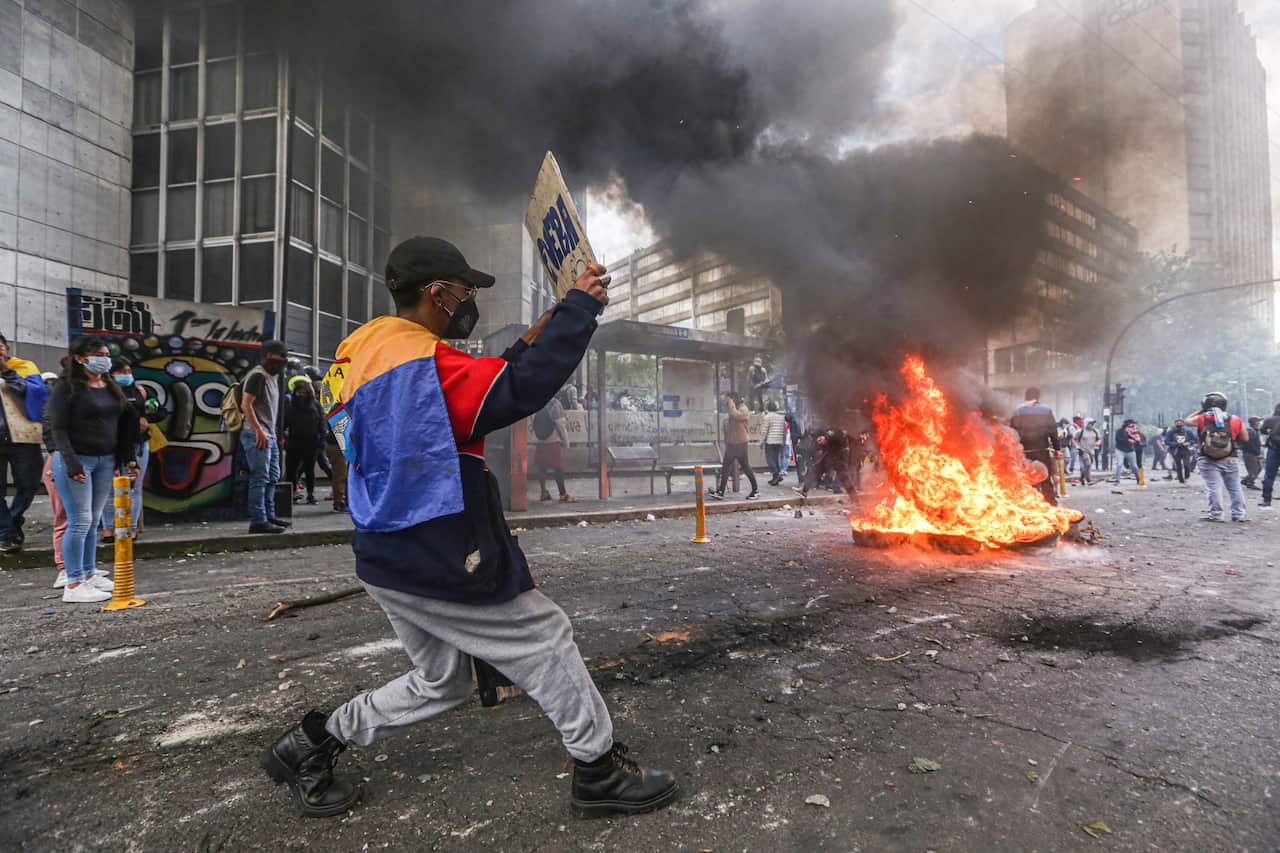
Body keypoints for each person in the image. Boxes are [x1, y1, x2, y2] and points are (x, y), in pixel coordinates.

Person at [263, 237, 675, 819]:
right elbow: (516, 390)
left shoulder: (363, 350)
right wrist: (582, 309)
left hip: (384, 547)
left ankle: (312, 743)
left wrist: (535, 335)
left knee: (441, 681)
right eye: (465, 289)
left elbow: (462, 395)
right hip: (434, 547)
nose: (470, 299)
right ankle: (598, 769)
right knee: (544, 634)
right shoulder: (424, 364)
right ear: (437, 292)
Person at [47, 337, 137, 603]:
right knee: (79, 520)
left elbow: (122, 422)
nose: (104, 360)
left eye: (107, 355)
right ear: (80, 358)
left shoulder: (109, 386)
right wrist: (71, 462)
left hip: (105, 460)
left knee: (93, 519)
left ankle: (88, 574)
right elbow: (58, 428)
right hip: (77, 459)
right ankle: (73, 583)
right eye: (99, 355)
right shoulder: (66, 388)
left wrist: (125, 458)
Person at [0, 334, 48, 553]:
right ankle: (5, 532)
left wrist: (7, 371)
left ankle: (12, 520)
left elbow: (36, 393)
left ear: (7, 348)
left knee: (29, 484)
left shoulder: (25, 367)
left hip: (24, 437)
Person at [241, 340, 290, 534]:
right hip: (257, 434)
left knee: (272, 477)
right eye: (280, 358)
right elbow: (246, 404)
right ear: (268, 356)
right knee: (260, 478)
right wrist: (258, 430)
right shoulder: (258, 376)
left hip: (268, 434)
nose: (282, 363)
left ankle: (269, 516)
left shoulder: (272, 377)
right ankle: (258, 520)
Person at [98, 357, 150, 540]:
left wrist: (146, 419)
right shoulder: (103, 393)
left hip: (136, 445)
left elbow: (156, 411)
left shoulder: (139, 391)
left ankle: (131, 527)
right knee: (108, 489)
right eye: (121, 372)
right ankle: (108, 528)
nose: (126, 375)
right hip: (110, 445)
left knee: (134, 486)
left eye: (128, 371)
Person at [1183, 391, 1246, 523]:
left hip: (1207, 458)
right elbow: (1245, 438)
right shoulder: (1235, 419)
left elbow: (1186, 421)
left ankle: (1216, 514)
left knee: (1214, 486)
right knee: (1235, 487)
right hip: (1230, 457)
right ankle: (1239, 514)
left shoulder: (1202, 418)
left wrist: (1202, 410)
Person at [1009, 387, 1060, 506]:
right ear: (1038, 397)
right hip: (1042, 450)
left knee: (1027, 479)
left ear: (1026, 397)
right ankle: (1051, 503)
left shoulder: (1017, 411)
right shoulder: (1046, 410)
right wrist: (1057, 449)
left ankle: (1030, 503)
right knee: (1045, 478)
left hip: (1024, 452)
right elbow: (1053, 432)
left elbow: (1011, 432)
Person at [284, 374, 326, 506]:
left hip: (311, 442)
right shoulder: (291, 406)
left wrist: (321, 441)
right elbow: (284, 423)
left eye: (303, 392)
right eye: (298, 392)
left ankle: (310, 494)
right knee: (292, 470)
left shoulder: (315, 405)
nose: (301, 395)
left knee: (309, 470)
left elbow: (322, 424)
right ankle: (293, 494)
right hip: (294, 442)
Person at [710, 391, 758, 500]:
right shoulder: (736, 408)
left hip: (740, 443)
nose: (726, 402)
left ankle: (755, 490)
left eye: (728, 399)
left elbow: (736, 415)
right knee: (726, 467)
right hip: (732, 443)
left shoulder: (743, 409)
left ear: (733, 399)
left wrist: (731, 403)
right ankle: (721, 491)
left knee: (745, 467)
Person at [794, 427, 857, 497]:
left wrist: (826, 438)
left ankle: (855, 498)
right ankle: (804, 490)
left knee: (844, 476)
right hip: (831, 452)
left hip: (839, 454)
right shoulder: (832, 424)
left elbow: (840, 434)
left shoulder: (842, 425)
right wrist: (825, 438)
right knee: (817, 470)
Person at [533, 395, 570, 502]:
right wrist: (566, 442)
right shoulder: (555, 404)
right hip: (553, 440)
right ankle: (563, 494)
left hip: (541, 440)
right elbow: (560, 425)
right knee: (558, 468)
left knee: (542, 468)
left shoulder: (539, 401)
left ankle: (543, 492)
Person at [761, 401, 787, 486]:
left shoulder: (767, 417)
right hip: (779, 441)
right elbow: (784, 430)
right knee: (776, 459)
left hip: (770, 441)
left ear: (768, 408)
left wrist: (762, 441)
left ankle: (776, 475)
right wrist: (783, 441)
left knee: (770, 460)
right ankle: (776, 476)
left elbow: (764, 431)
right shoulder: (781, 417)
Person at [1259, 403, 1280, 508]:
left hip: (1273, 450)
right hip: (1273, 450)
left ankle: (1266, 500)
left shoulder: (1270, 420)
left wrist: (1270, 431)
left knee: (1269, 476)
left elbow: (1263, 431)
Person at [1165, 420, 1197, 484]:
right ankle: (1180, 479)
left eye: (1180, 422)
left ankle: (1187, 477)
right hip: (1176, 450)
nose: (1179, 424)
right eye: (1177, 423)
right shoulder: (1171, 432)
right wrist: (1176, 444)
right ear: (1175, 423)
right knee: (1178, 466)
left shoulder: (1188, 431)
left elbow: (1194, 440)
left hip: (1186, 450)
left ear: (1183, 424)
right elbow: (1167, 441)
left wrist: (1189, 443)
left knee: (1187, 465)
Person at [1112, 419, 1142, 484]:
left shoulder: (1134, 431)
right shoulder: (1120, 431)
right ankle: (1117, 480)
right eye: (1131, 423)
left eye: (1134, 424)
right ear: (1127, 424)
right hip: (1120, 450)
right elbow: (1118, 439)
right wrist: (1128, 439)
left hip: (1130, 450)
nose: (1133, 425)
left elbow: (1138, 441)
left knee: (1134, 466)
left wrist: (1136, 441)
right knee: (1119, 464)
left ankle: (1139, 479)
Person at [1074, 417, 1100, 486]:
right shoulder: (1080, 431)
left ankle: (1081, 478)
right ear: (1086, 423)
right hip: (1083, 450)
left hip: (1092, 451)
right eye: (1090, 423)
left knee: (1087, 466)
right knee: (1087, 464)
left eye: (1093, 423)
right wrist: (1077, 446)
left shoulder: (1095, 431)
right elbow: (1074, 439)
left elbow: (1098, 439)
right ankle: (1089, 479)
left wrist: (1098, 443)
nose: (1092, 425)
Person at [1240, 417, 1263, 491]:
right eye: (1258, 421)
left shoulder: (1255, 430)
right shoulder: (1250, 431)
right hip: (1250, 453)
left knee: (1259, 468)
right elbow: (1251, 444)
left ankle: (1245, 480)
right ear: (1254, 422)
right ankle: (1250, 483)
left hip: (1252, 453)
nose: (1259, 423)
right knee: (1254, 470)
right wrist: (1257, 453)